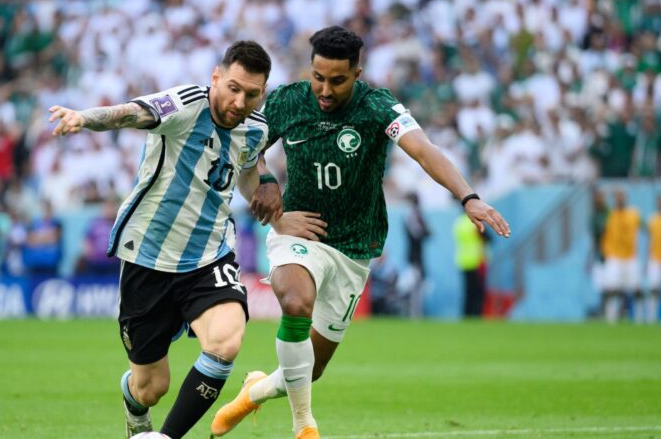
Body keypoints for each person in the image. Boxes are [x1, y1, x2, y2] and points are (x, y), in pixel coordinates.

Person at [211, 26, 510, 439]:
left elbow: (423, 149)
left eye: (337, 80)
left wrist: (468, 197)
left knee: (307, 371)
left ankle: (253, 392)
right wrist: (266, 181)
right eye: (318, 77)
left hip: (355, 247)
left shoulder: (377, 107)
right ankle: (305, 428)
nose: (325, 90)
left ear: (357, 73)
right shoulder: (287, 101)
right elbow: (247, 150)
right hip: (301, 231)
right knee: (294, 301)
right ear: (310, 69)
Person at [48, 41, 281, 439]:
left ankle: (166, 437)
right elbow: (132, 113)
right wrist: (84, 118)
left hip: (209, 254)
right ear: (216, 78)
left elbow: (244, 170)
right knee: (151, 388)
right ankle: (134, 405)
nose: (240, 101)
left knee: (225, 342)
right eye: (234, 88)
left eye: (252, 94)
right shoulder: (185, 103)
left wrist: (266, 187)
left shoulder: (256, 128)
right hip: (147, 257)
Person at [600, 189, 642, 324]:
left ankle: (640, 319)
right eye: (618, 197)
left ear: (626, 198)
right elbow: (599, 202)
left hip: (630, 256)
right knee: (612, 288)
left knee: (636, 289)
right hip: (614, 255)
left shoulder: (633, 214)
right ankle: (611, 319)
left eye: (622, 196)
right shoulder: (609, 214)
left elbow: (646, 226)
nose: (620, 199)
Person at [453, 212, 488, 317]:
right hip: (476, 261)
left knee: (468, 292)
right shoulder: (475, 223)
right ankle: (476, 315)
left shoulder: (459, 222)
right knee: (478, 292)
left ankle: (466, 315)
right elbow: (487, 238)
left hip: (463, 261)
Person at [403, 192, 430, 317]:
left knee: (417, 285)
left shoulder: (412, 215)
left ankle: (415, 313)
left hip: (415, 256)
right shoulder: (413, 216)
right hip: (415, 256)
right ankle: (414, 313)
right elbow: (421, 233)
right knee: (415, 286)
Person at [647, 195, 661, 324]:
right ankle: (651, 317)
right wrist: (647, 260)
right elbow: (649, 241)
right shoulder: (652, 220)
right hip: (655, 259)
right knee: (653, 289)